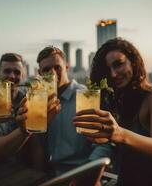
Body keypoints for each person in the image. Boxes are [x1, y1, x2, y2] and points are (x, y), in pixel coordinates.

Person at [73, 38, 152, 186]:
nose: (113, 74)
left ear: (133, 62)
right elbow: (110, 148)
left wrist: (120, 134)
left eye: (118, 64)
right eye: (107, 69)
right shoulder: (113, 101)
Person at [17, 46, 113, 177]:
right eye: (46, 70)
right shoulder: (38, 100)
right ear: (39, 73)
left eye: (57, 67)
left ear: (67, 67)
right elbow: (37, 144)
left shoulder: (87, 96)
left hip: (81, 174)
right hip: (50, 176)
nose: (52, 73)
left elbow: (103, 144)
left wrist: (89, 175)